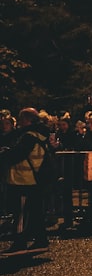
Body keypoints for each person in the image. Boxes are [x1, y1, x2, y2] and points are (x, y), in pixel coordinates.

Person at [0, 108, 55, 255]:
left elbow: (16, 155)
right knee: (35, 212)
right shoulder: (39, 134)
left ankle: (20, 243)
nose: (18, 121)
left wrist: (4, 153)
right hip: (35, 180)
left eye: (21, 118)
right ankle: (41, 241)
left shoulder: (29, 136)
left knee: (21, 213)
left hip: (25, 180)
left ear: (27, 120)